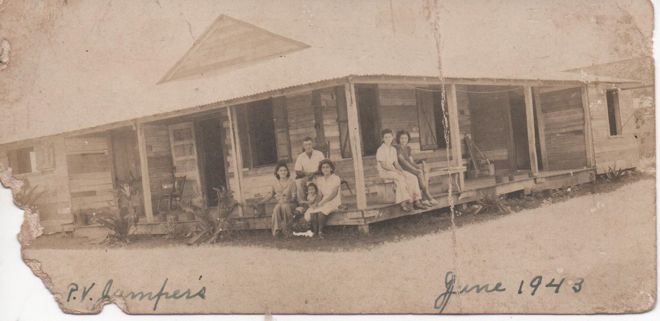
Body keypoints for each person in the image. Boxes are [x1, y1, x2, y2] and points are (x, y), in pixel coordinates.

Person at [376, 129, 426, 212]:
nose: (388, 139)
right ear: (383, 139)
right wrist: (397, 172)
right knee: (400, 178)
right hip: (384, 172)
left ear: (392, 138)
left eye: (389, 137)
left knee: (412, 177)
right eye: (386, 137)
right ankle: (404, 203)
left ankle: (416, 200)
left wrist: (402, 171)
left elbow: (396, 163)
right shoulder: (380, 150)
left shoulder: (393, 149)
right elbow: (384, 165)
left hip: (393, 171)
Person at [395, 130, 439, 207]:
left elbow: (411, 161)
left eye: (405, 138)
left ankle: (424, 199)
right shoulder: (397, 148)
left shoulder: (408, 148)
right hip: (402, 169)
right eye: (402, 138)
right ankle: (428, 196)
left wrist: (418, 167)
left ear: (408, 139)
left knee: (423, 172)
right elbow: (404, 162)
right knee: (419, 173)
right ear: (398, 139)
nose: (403, 140)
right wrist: (415, 170)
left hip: (409, 167)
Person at [254, 162, 297, 237]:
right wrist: (260, 202)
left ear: (287, 172)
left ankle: (287, 229)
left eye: (285, 170)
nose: (283, 172)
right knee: (277, 208)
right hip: (280, 204)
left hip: (290, 204)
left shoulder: (292, 182)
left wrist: (287, 200)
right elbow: (270, 195)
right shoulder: (274, 183)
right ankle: (277, 230)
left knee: (284, 207)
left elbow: (294, 197)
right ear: (277, 172)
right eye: (281, 170)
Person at [306, 159, 341, 238]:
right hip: (323, 200)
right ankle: (315, 232)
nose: (325, 169)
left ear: (331, 168)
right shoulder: (320, 180)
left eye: (327, 167)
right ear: (321, 170)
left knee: (322, 211)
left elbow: (334, 193)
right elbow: (319, 194)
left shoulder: (336, 178)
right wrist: (316, 203)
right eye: (323, 168)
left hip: (334, 200)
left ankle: (320, 231)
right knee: (313, 211)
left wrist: (322, 202)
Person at [294, 137, 325, 203]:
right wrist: (306, 174)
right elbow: (297, 171)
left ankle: (318, 202)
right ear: (303, 146)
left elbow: (324, 167)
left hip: (318, 176)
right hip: (306, 177)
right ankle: (303, 203)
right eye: (306, 145)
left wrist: (313, 174)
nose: (308, 147)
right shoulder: (300, 156)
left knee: (319, 182)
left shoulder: (319, 154)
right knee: (298, 182)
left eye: (309, 144)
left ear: (312, 144)